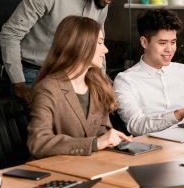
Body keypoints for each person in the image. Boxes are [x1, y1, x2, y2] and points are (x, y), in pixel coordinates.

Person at [0, 0, 128, 103]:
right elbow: (10, 33)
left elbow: (97, 44)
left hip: (74, 77)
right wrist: (18, 82)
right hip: (34, 75)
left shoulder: (101, 0)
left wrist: (101, 81)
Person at [27, 16, 132, 159]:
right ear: (81, 45)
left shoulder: (98, 85)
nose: (106, 50)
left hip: (92, 165)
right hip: (58, 171)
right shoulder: (48, 88)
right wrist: (94, 143)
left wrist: (112, 138)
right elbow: (38, 143)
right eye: (100, 43)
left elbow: (101, 132)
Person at [113, 9, 184, 136]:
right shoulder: (125, 80)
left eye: (173, 42)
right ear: (144, 42)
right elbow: (135, 125)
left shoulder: (182, 71)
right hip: (151, 149)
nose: (169, 49)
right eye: (162, 43)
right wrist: (179, 114)